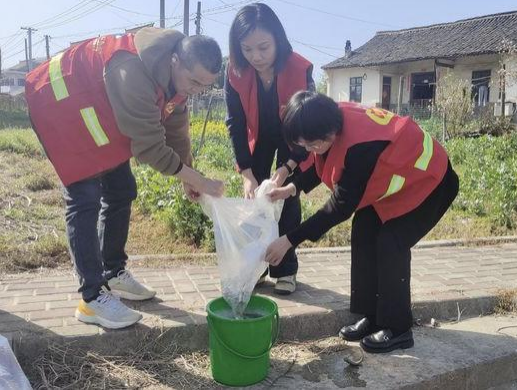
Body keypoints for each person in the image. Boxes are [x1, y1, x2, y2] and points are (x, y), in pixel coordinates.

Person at [25, 27, 225, 329]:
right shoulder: (132, 70)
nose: (196, 90)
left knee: (122, 189)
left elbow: (176, 125)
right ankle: (92, 298)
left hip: (96, 112)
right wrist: (199, 180)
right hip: (59, 106)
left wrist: (188, 172)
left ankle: (113, 272)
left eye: (204, 86)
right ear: (175, 61)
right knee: (85, 199)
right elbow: (150, 149)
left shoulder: (177, 79)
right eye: (194, 81)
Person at [265, 91, 459, 353]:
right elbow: (323, 160)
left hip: (430, 181)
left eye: (311, 145)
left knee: (391, 242)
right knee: (364, 231)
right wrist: (291, 188)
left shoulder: (360, 145)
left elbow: (339, 207)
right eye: (303, 146)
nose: (309, 151)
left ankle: (398, 328)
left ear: (328, 133)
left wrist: (288, 240)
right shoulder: (331, 121)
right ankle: (372, 316)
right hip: (397, 181)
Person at [225, 3, 314, 295]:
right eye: (247, 49)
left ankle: (285, 268)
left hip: (293, 138)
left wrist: (287, 168)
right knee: (255, 201)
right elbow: (235, 124)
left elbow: (307, 127)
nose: (256, 57)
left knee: (284, 195)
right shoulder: (235, 71)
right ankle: (258, 266)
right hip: (257, 137)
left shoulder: (300, 69)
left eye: (263, 47)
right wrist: (247, 173)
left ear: (278, 39)